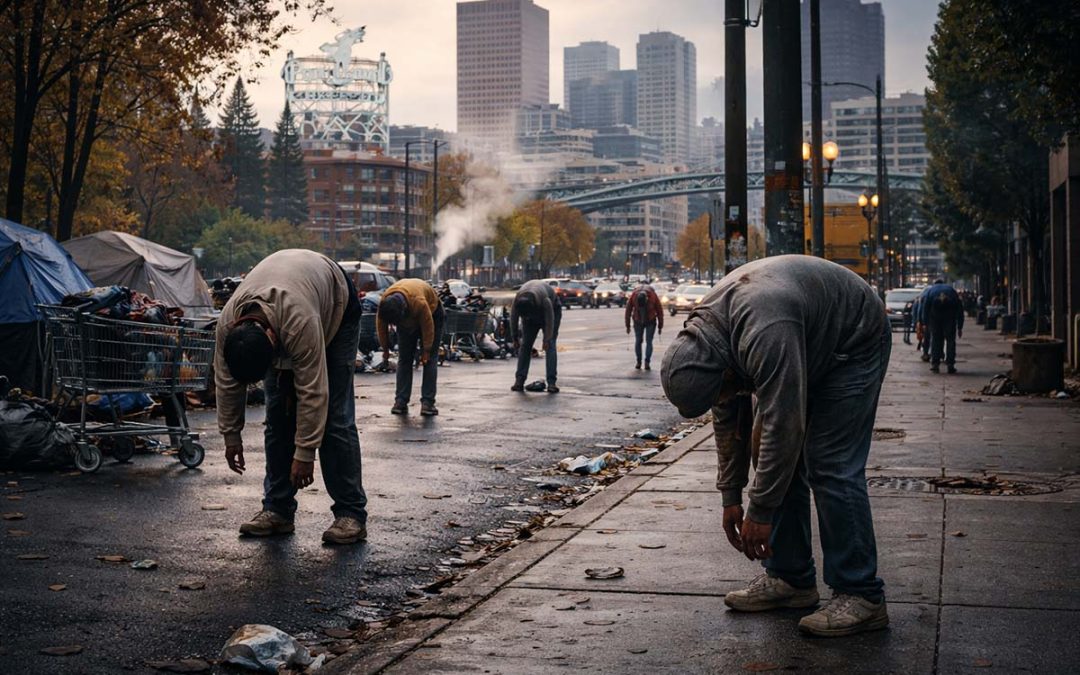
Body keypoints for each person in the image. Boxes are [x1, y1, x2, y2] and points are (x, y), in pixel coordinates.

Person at [661, 255, 891, 638]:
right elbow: (728, 416)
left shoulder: (764, 329)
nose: (731, 395)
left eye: (727, 389)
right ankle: (791, 579)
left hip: (854, 341)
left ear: (724, 371)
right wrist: (730, 494)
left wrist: (761, 511)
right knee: (770, 456)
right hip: (808, 337)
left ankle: (861, 595)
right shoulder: (708, 342)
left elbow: (783, 425)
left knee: (830, 464)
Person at [215, 249, 368, 545]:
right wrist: (231, 435)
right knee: (277, 414)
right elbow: (227, 383)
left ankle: (351, 514)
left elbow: (313, 391)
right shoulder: (227, 326)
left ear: (273, 343)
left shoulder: (299, 323)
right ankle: (277, 510)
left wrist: (305, 453)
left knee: (335, 418)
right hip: (289, 296)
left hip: (335, 302)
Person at [377, 278, 444, 416]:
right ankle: (400, 402)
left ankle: (427, 403)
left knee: (429, 360)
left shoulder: (419, 302)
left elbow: (428, 327)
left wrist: (426, 351)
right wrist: (385, 349)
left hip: (433, 314)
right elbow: (381, 327)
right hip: (408, 315)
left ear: (404, 310)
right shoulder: (385, 305)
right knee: (404, 359)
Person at [510, 279, 561, 393]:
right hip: (532, 319)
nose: (526, 317)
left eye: (527, 315)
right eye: (524, 316)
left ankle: (551, 383)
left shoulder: (545, 301)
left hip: (552, 311)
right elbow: (513, 318)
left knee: (551, 345)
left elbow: (550, 321)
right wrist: (515, 338)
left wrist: (547, 339)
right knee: (525, 346)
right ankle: (519, 381)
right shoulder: (517, 301)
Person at [919, 279, 963, 374]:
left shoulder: (930, 291)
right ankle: (950, 364)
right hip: (949, 318)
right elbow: (960, 309)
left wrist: (925, 323)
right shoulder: (951, 290)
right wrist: (960, 326)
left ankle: (935, 364)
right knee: (950, 341)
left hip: (935, 319)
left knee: (935, 340)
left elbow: (925, 307)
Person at [624, 282, 664, 370]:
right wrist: (627, 326)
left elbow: (659, 310)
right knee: (638, 341)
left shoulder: (653, 296)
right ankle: (638, 361)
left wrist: (660, 326)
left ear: (647, 299)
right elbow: (628, 311)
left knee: (649, 341)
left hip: (650, 320)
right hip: (637, 320)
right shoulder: (634, 296)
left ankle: (647, 362)